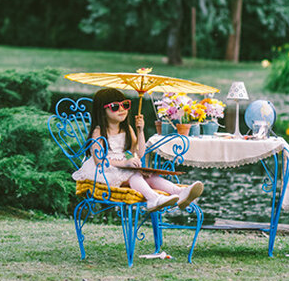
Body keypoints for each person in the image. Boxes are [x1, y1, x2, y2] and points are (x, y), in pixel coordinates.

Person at [72, 88, 204, 212]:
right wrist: (125, 164)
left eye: (125, 104)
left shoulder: (127, 129)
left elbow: (138, 153)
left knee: (149, 175)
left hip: (123, 167)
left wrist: (140, 132)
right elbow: (99, 161)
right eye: (115, 107)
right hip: (104, 170)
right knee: (135, 175)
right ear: (102, 111)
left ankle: (180, 192)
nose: (121, 109)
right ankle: (152, 198)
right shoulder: (99, 132)